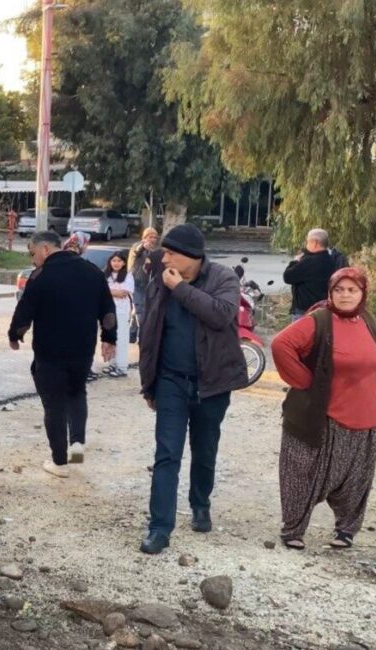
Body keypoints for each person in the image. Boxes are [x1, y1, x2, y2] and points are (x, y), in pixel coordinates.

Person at [137, 224, 248, 555]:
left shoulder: (223, 278)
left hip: (212, 383)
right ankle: (159, 528)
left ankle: (200, 504)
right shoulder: (161, 278)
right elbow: (151, 331)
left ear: (191, 256)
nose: (164, 256)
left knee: (204, 448)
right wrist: (149, 383)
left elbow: (221, 315)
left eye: (170, 252)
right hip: (171, 380)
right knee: (167, 454)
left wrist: (180, 288)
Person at [271, 267, 376, 550]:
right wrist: (305, 380)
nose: (345, 295)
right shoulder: (320, 320)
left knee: (356, 479)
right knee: (303, 472)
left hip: (366, 416)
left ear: (362, 294)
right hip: (326, 416)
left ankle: (346, 530)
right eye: (339, 290)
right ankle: (293, 529)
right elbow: (282, 344)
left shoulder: (367, 321)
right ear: (330, 292)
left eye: (352, 290)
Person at [9, 231, 117, 477]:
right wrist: (109, 339)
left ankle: (59, 462)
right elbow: (107, 310)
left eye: (33, 253)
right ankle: (77, 446)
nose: (33, 259)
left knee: (54, 404)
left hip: (50, 352)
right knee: (77, 393)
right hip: (82, 350)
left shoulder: (41, 276)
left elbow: (25, 310)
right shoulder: (92, 272)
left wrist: (15, 334)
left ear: (45, 249)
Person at [284, 229, 337, 320]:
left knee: (300, 334)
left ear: (315, 243)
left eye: (308, 242)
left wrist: (295, 261)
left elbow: (288, 277)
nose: (306, 245)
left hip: (304, 311)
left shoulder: (310, 261)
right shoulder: (331, 260)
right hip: (323, 309)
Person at [103, 252, 134, 378]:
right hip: (108, 312)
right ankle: (112, 364)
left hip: (121, 311)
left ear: (124, 263)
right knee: (110, 339)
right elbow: (102, 291)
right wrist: (113, 292)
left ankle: (122, 367)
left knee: (121, 339)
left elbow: (124, 292)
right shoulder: (106, 275)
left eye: (119, 261)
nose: (116, 263)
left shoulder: (128, 276)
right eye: (114, 260)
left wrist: (109, 291)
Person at [128, 227, 159, 339]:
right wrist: (142, 246)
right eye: (151, 237)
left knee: (137, 308)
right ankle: (144, 334)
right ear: (145, 237)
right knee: (140, 308)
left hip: (147, 283)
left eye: (155, 237)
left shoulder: (153, 251)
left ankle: (132, 332)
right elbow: (137, 251)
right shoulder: (137, 246)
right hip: (135, 282)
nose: (153, 239)